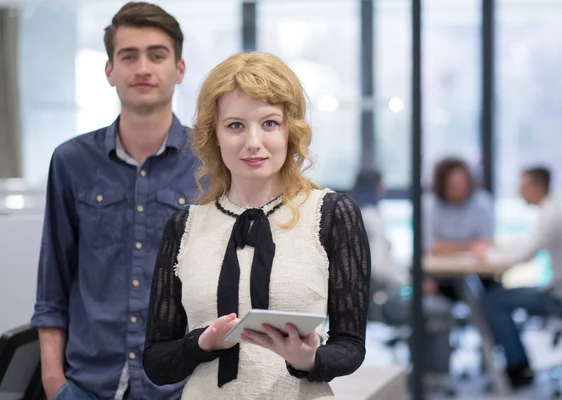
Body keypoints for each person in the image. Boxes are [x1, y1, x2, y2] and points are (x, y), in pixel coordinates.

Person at [142, 52, 371, 399]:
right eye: (235, 125)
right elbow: (157, 360)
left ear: (290, 130)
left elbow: (351, 345)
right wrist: (201, 343)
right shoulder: (183, 226)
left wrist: (308, 359)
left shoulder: (332, 214)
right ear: (214, 135)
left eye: (269, 123)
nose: (253, 142)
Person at [30, 2, 197, 399]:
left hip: (182, 387)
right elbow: (53, 282)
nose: (143, 67)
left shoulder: (210, 163)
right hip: (88, 385)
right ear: (110, 71)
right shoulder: (71, 161)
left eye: (157, 55)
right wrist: (54, 382)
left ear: (179, 69)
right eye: (128, 55)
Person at [474, 167, 562, 388]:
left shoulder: (552, 216)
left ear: (537, 187)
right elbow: (526, 243)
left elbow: (524, 254)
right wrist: (495, 248)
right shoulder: (552, 211)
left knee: (493, 301)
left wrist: (489, 253)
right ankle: (516, 362)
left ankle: (518, 368)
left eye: (523, 187)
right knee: (496, 297)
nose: (519, 193)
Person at [423, 156, 497, 298]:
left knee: (491, 294)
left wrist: (448, 247)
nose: (459, 188)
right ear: (442, 184)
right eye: (453, 184)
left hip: (478, 275)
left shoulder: (482, 203)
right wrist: (469, 247)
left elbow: (486, 244)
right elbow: (431, 246)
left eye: (462, 183)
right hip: (439, 276)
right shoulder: (429, 205)